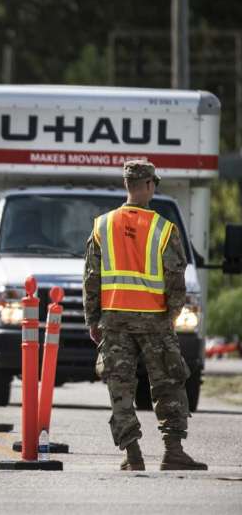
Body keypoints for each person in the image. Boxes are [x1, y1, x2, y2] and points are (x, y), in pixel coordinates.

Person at [83, 160, 206, 471]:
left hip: (114, 322)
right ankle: (173, 451)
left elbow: (91, 279)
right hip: (155, 322)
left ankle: (132, 453)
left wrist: (92, 320)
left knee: (120, 387)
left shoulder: (102, 225)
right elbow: (176, 279)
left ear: (128, 186)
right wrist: (171, 316)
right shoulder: (165, 229)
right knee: (168, 383)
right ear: (149, 185)